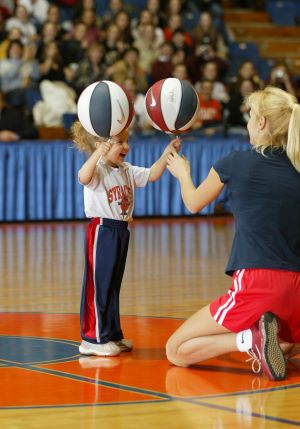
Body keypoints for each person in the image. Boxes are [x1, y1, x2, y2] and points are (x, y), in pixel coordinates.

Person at [165, 86, 300, 381]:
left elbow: (193, 203)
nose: (248, 122)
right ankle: (271, 342)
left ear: (262, 122)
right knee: (287, 345)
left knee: (176, 351)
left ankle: (249, 340)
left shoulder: (236, 162)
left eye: (251, 116)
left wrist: (182, 173)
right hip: (297, 288)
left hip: (258, 281)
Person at [72, 121, 181, 356]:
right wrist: (97, 154)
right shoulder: (98, 169)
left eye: (127, 140)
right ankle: (92, 338)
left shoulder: (126, 170)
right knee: (99, 285)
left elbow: (152, 174)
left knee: (112, 286)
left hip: (121, 231)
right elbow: (82, 176)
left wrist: (167, 153)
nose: (126, 146)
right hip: (102, 230)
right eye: (120, 142)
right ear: (102, 145)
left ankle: (111, 333)